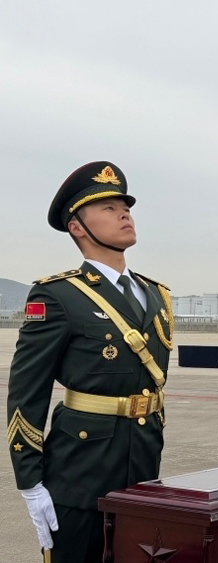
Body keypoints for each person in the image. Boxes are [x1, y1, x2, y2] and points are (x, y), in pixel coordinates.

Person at [7, 162, 173, 562]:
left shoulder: (157, 295)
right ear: (77, 226)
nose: (124, 213)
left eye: (125, 205)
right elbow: (27, 394)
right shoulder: (58, 296)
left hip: (145, 466)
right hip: (79, 473)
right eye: (108, 207)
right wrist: (30, 482)